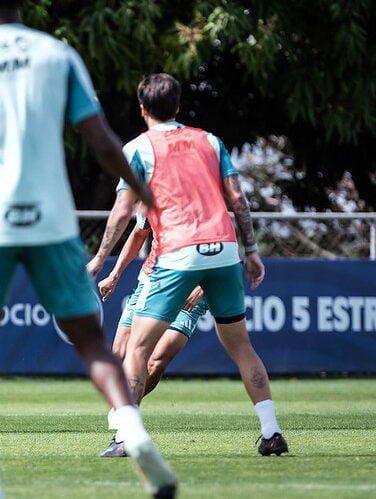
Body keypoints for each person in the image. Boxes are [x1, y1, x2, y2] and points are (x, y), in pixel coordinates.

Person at [0, 2, 177, 498]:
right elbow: (100, 140)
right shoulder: (59, 55)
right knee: (93, 344)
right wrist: (143, 188)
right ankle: (132, 431)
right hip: (53, 220)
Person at [111, 73, 288, 457]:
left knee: (137, 349)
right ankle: (272, 431)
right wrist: (252, 250)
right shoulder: (210, 141)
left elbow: (124, 211)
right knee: (241, 346)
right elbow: (237, 200)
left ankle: (127, 436)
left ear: (143, 110)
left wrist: (99, 256)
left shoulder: (138, 147)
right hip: (225, 250)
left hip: (178, 252)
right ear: (177, 106)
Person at [90, 212, 208, 457]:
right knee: (120, 355)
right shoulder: (152, 189)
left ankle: (126, 431)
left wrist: (204, 284)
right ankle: (126, 410)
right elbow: (139, 232)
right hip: (152, 281)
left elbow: (224, 243)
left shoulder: (205, 193)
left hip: (193, 284)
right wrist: (114, 274)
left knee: (155, 361)